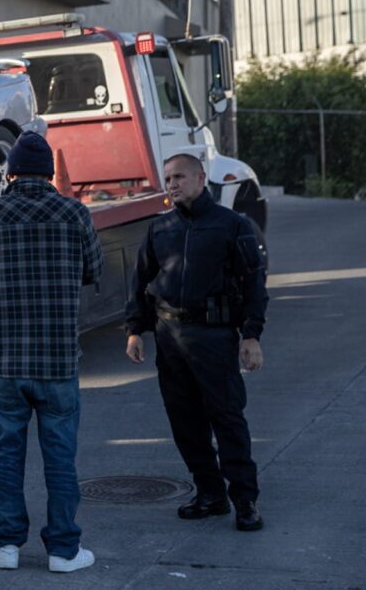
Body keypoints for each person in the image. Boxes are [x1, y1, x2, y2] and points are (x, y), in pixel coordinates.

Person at [0, 132, 103, 573]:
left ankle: (5, 545)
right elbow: (94, 269)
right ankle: (62, 549)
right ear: (50, 173)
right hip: (57, 360)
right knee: (60, 456)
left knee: (4, 452)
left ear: (11, 171)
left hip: (4, 359)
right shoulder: (75, 213)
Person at [125, 153, 268, 532]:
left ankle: (245, 500)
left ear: (201, 178)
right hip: (170, 337)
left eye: (179, 177)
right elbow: (140, 282)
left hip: (215, 338)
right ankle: (210, 494)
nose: (172, 184)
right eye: (167, 178)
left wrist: (251, 334)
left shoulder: (231, 225)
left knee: (227, 418)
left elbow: (254, 282)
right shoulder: (160, 229)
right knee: (185, 421)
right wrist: (135, 329)